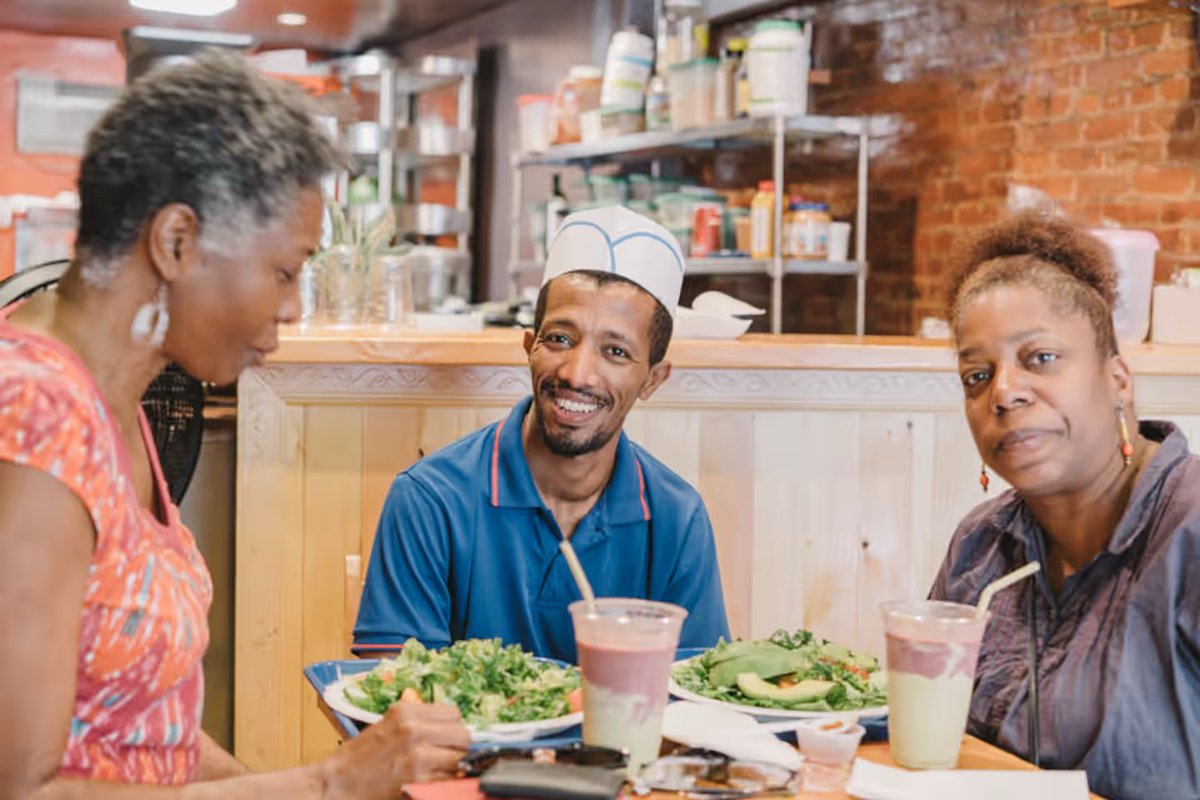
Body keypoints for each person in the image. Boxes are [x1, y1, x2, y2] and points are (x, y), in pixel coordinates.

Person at [0, 51, 468, 799]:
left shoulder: (117, 399)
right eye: (286, 271)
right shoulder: (34, 417)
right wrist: (329, 784)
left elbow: (145, 720)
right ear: (178, 242)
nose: (291, 306)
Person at [354, 206, 731, 663]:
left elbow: (693, 698)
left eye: (615, 351)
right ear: (529, 345)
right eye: (560, 340)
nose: (578, 374)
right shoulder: (430, 499)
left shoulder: (677, 518)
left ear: (653, 379)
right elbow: (398, 695)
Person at [931, 212, 1200, 800]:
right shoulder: (980, 546)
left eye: (1041, 358)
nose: (1003, 391)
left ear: (1119, 379)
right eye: (977, 374)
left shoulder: (1190, 530)